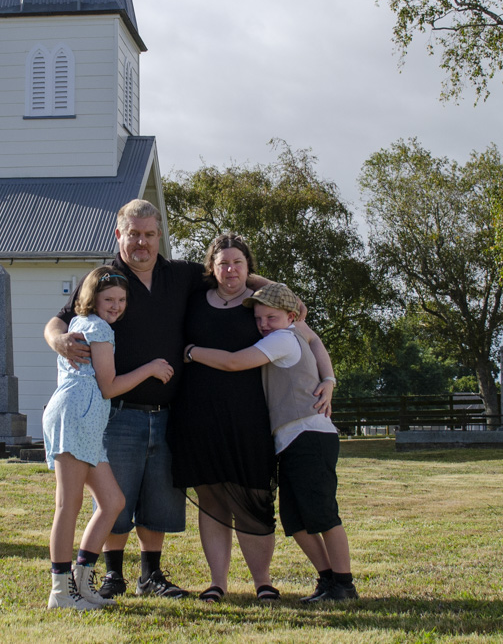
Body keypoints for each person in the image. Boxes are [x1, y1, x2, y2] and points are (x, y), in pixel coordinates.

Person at [44, 199, 271, 599]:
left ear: (159, 235)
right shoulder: (104, 279)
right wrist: (58, 340)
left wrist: (277, 293)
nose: (142, 243)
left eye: (149, 234)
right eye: (134, 235)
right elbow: (58, 319)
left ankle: (152, 575)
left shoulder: (180, 275)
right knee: (118, 498)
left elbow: (230, 276)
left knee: (159, 499)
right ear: (119, 235)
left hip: (170, 411)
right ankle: (112, 573)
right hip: (117, 412)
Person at [167, 234, 338, 602]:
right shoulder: (194, 301)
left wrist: (329, 379)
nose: (230, 269)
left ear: (249, 267)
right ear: (211, 267)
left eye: (238, 263)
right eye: (223, 262)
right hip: (198, 414)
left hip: (251, 414)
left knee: (253, 497)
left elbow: (311, 340)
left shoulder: (263, 304)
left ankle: (263, 581)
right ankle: (218, 583)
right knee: (212, 500)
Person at [42, 267, 174, 610]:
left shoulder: (86, 325)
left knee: (113, 501)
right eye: (109, 299)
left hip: (88, 422)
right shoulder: (97, 328)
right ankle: (61, 592)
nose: (116, 306)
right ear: (92, 300)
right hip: (74, 418)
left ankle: (82, 582)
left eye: (121, 299)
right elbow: (109, 386)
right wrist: (150, 369)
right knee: (67, 506)